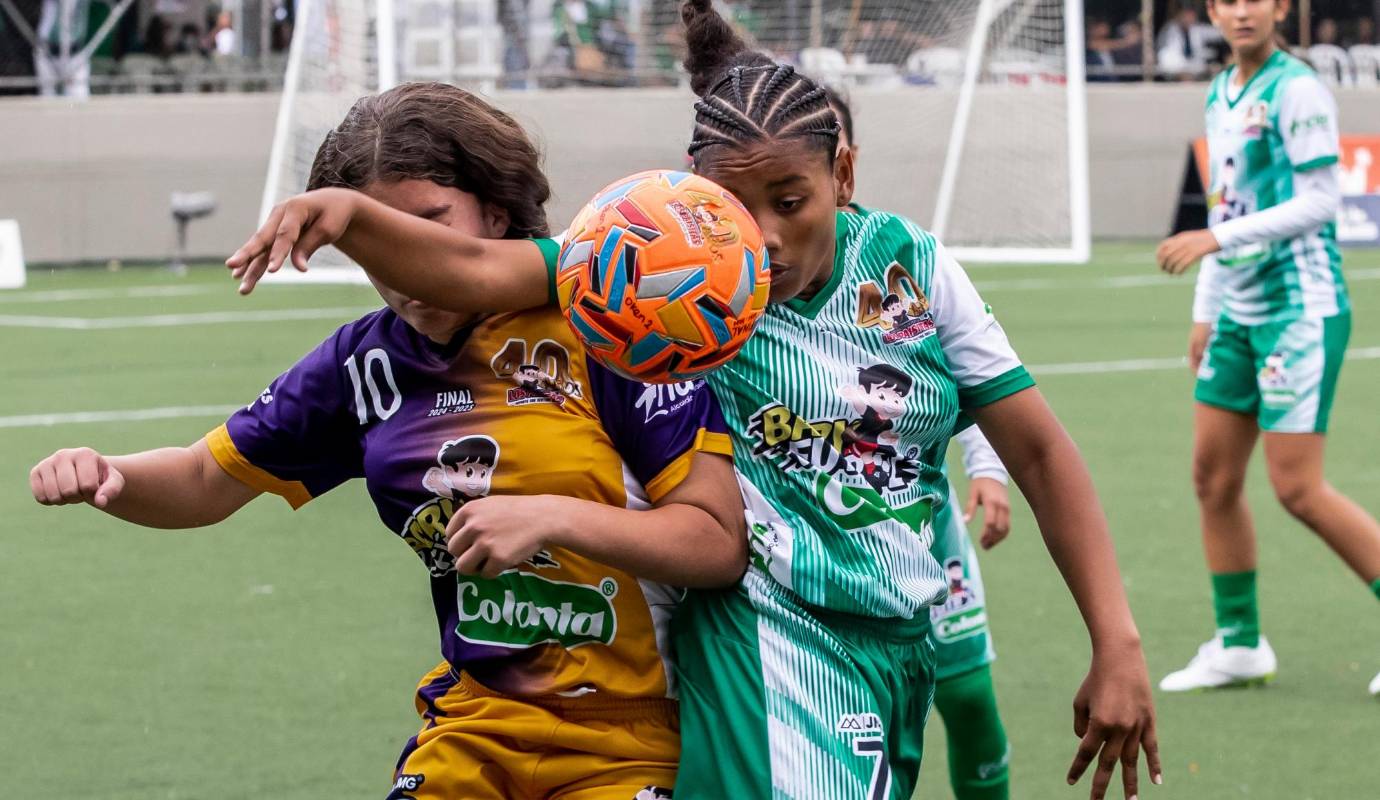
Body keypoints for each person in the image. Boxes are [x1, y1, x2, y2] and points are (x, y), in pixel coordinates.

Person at [225, 3, 1163, 797]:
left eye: (790, 201)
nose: (760, 238)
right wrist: (349, 217)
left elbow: (1039, 450)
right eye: (731, 207)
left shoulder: (917, 272)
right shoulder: (670, 266)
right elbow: (475, 264)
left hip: (894, 634)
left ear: (843, 174)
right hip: (762, 632)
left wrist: (1115, 641)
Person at [31, 82, 747, 798]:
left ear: (496, 211)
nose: (408, 271)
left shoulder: (600, 326)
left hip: (637, 735)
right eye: (381, 245)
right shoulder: (363, 365)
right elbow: (201, 481)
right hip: (478, 726)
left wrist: (554, 516)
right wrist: (106, 476)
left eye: (429, 227)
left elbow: (716, 543)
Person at [1155, 0, 1380, 697]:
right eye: (1227, 0)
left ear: (1281, 7)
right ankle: (1240, 644)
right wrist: (1206, 310)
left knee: (1297, 488)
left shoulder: (1299, 88)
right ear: (1213, 12)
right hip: (1240, 316)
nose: (1242, 10)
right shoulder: (1221, 92)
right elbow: (1229, 204)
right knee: (1212, 479)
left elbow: (1319, 200)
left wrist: (1216, 241)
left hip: (1300, 312)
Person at [829, 84, 1015, 800]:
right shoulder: (744, 278)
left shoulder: (900, 265)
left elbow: (974, 381)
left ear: (845, 162)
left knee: (967, 698)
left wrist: (988, 469)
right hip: (822, 548)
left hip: (922, 526)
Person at [1157, 2, 1223, 79]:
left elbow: (1218, 33)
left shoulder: (1196, 29)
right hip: (1175, 73)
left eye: (1192, 16)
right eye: (1186, 15)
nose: (1189, 19)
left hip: (1195, 72)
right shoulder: (1169, 30)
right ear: (1180, 15)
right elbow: (1168, 58)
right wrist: (1185, 71)